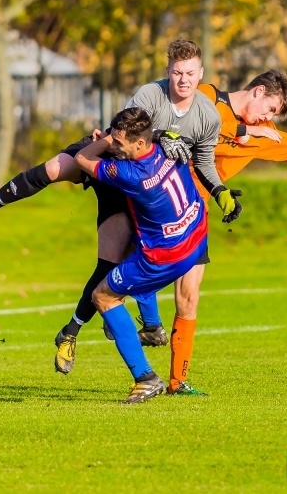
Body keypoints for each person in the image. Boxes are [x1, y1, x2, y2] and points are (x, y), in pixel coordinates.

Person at [0, 40, 242, 374]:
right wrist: (163, 135)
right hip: (108, 156)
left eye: (190, 73)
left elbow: (203, 160)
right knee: (56, 168)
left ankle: (71, 332)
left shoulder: (206, 115)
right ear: (168, 72)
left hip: (130, 182)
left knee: (111, 260)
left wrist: (220, 191)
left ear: (201, 74)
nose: (183, 79)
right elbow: (125, 135)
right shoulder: (149, 94)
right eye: (177, 72)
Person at [105, 70, 287, 396]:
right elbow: (176, 125)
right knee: (134, 271)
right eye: (270, 109)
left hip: (193, 215)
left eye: (272, 116)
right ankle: (140, 328)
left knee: (189, 297)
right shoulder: (207, 97)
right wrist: (244, 129)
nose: (269, 118)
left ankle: (176, 381)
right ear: (258, 91)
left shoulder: (262, 133)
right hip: (157, 202)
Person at [73, 106, 209, 403]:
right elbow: (169, 137)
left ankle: (145, 378)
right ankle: (161, 346)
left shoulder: (132, 173)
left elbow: (82, 159)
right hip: (194, 236)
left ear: (139, 143)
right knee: (176, 295)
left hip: (163, 256)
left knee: (104, 296)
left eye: (121, 143)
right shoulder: (171, 146)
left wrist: (105, 140)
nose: (116, 147)